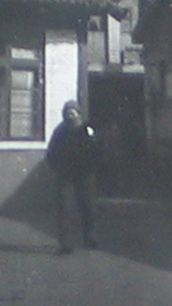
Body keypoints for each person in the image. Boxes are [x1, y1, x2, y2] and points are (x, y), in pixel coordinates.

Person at [46, 100, 101, 253]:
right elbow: (51, 151)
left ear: (78, 113)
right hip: (65, 176)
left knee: (88, 208)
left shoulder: (87, 129)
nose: (71, 115)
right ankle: (66, 244)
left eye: (73, 112)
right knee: (64, 208)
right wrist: (57, 168)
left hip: (85, 175)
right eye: (68, 112)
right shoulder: (60, 131)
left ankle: (90, 238)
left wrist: (91, 167)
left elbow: (97, 147)